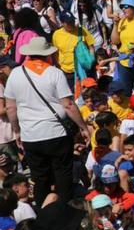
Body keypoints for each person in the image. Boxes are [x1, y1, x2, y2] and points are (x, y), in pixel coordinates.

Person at [5, 36, 89, 205]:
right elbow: (68, 105)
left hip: (31, 135)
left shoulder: (15, 74)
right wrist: (83, 127)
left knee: (39, 178)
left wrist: (17, 131)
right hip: (56, 132)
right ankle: (64, 209)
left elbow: (11, 108)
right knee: (63, 174)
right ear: (47, 55)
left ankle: (44, 212)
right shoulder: (54, 73)